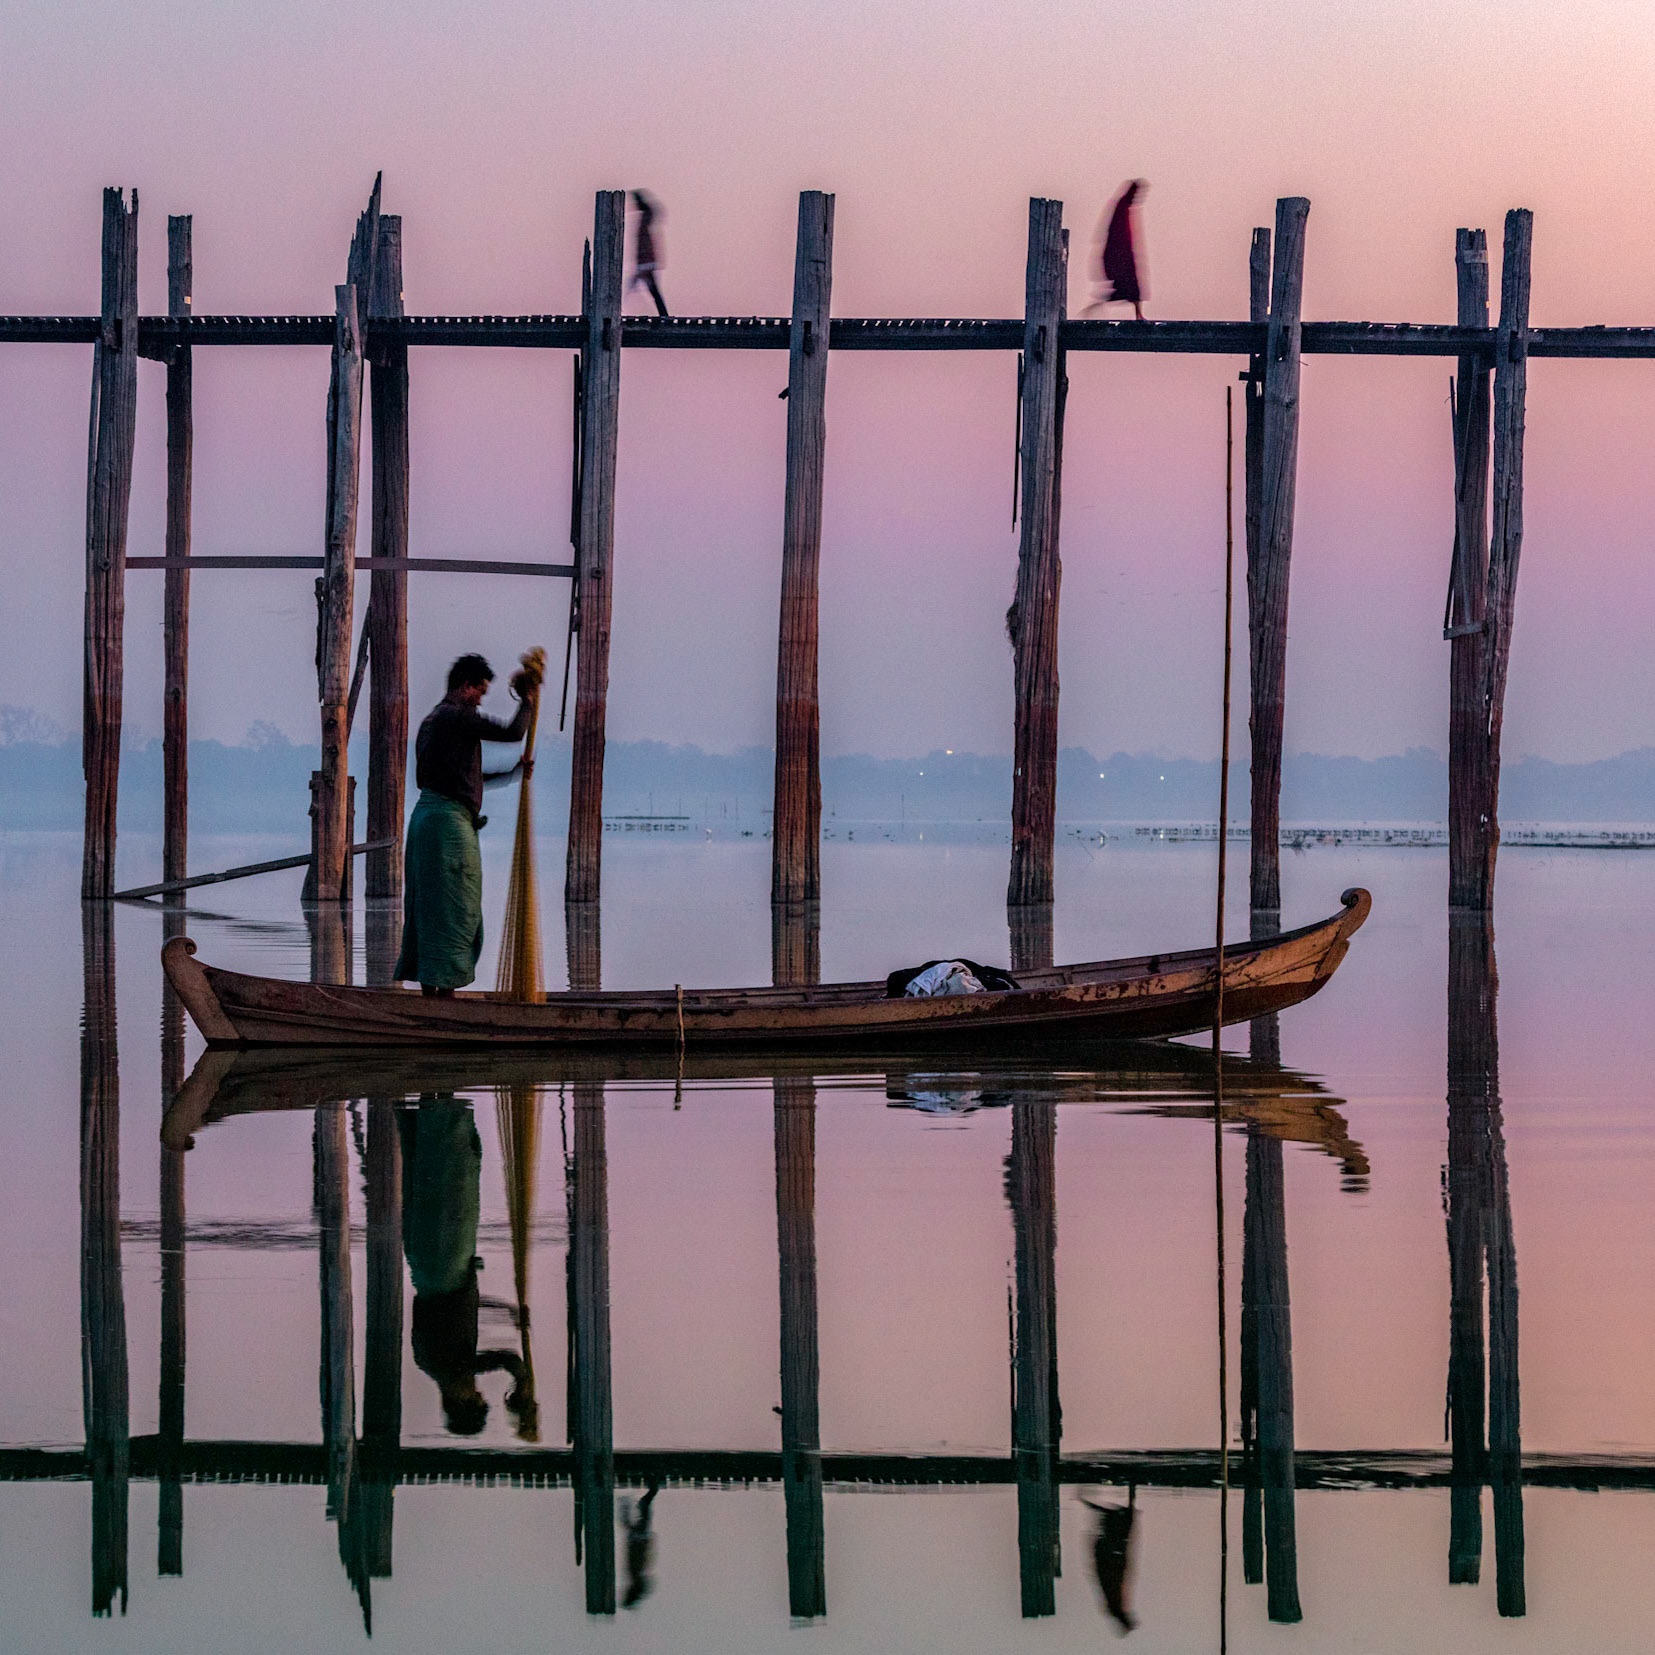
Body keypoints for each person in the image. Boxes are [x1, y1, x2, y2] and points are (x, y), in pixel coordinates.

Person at [395, 653, 537, 996]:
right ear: (466, 686)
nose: (481, 701)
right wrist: (529, 700)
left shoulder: (436, 721)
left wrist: (511, 774)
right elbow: (514, 732)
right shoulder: (454, 716)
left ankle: (437, 997)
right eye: (481, 693)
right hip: (445, 828)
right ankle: (441, 1000)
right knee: (452, 911)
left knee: (441, 910)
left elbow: (463, 776)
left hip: (430, 821)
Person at [400, 1096, 538, 1438]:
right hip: (434, 1266)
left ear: (459, 1400)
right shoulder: (432, 1364)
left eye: (474, 1397)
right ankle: (436, 1110)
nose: (476, 1389)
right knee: (443, 1177)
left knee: (452, 1176)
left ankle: (442, 1112)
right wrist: (507, 1310)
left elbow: (508, 1360)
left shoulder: (449, 1370)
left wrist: (522, 1384)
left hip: (442, 1262)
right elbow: (463, 1307)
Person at [1081, 1486, 1139, 1633]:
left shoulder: (1114, 1608)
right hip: (1111, 1558)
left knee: (1122, 1523)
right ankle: (1132, 1490)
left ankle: (1132, 1490)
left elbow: (1110, 1581)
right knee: (1124, 1522)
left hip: (1110, 1558)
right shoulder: (1115, 1608)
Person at [1094, 180, 1147, 321]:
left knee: (1128, 288)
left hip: (1122, 253)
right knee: (1131, 286)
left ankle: (1138, 315)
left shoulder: (1124, 206)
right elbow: (1117, 233)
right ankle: (1138, 315)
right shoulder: (1122, 205)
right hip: (1120, 255)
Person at [630, 190, 669, 318]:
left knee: (652, 290)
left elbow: (644, 246)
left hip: (646, 263)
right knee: (652, 291)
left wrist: (643, 265)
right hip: (646, 262)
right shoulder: (645, 220)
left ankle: (664, 316)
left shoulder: (645, 221)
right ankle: (664, 315)